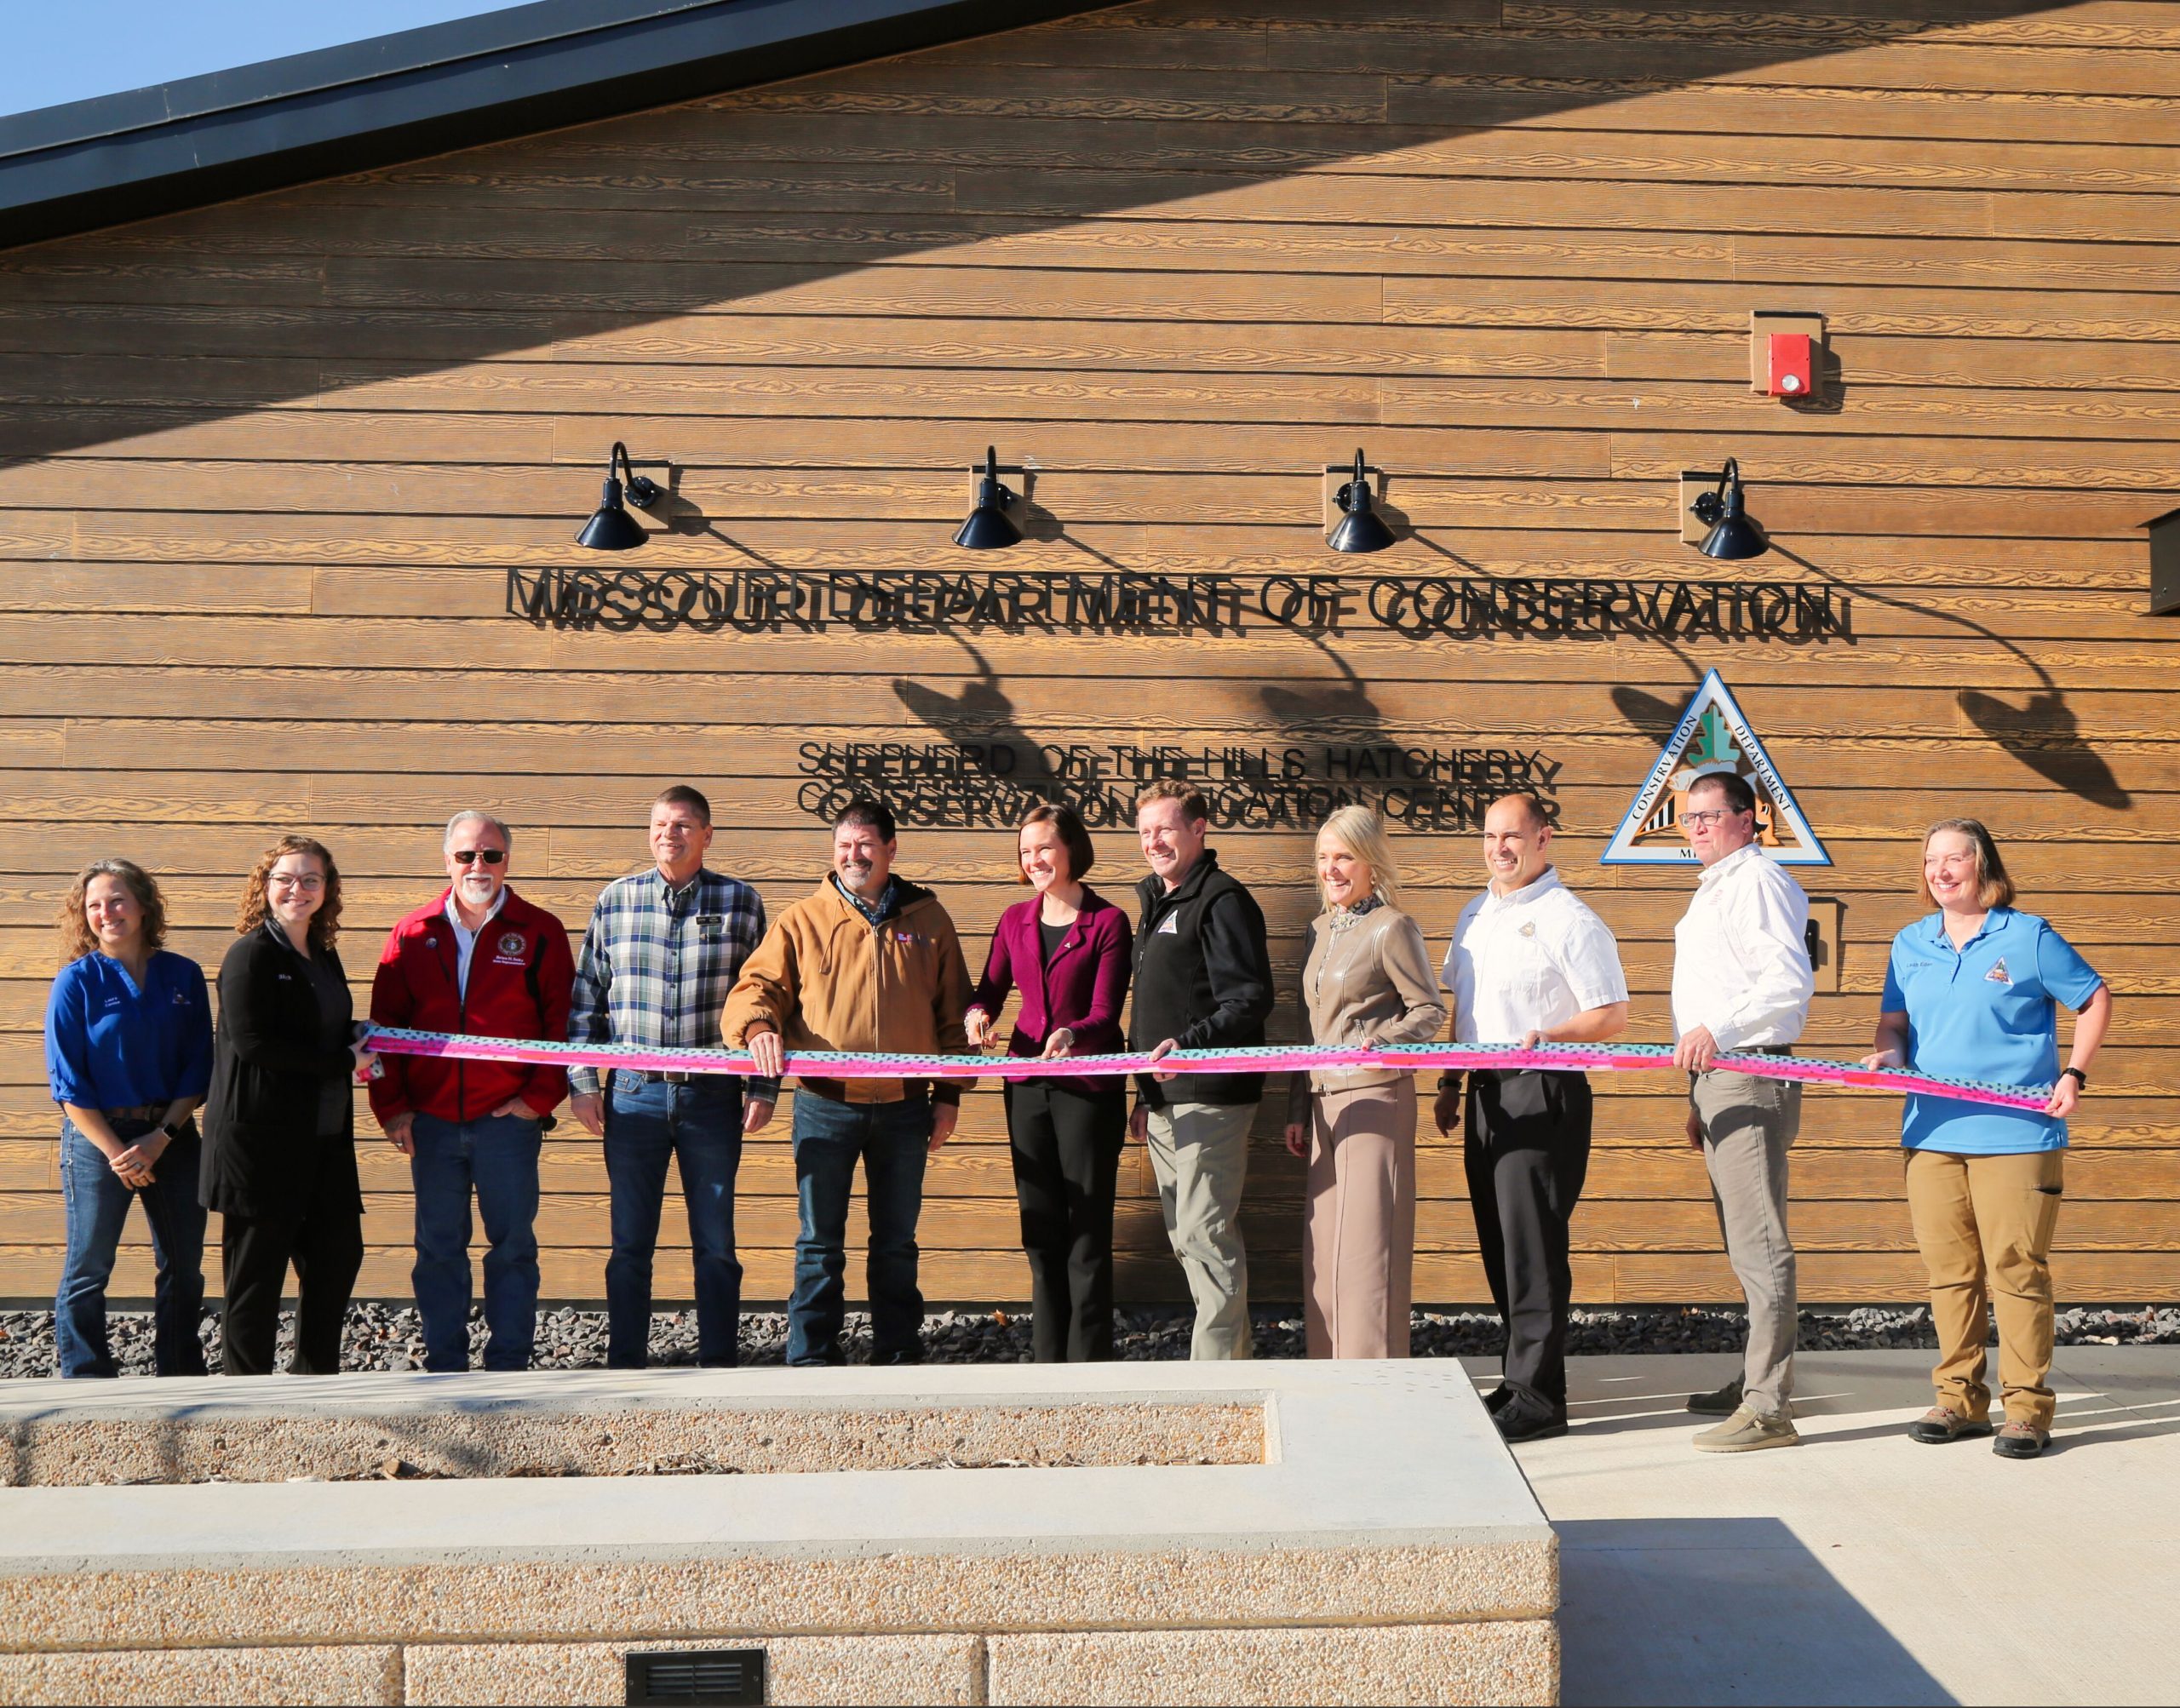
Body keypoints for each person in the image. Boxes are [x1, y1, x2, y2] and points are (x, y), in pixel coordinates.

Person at [1862, 820, 2110, 1459]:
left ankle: (2026, 1410)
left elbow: (2093, 997)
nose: (1940, 871)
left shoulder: (2026, 936)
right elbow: (1893, 1023)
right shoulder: (1910, 942)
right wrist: (1887, 1054)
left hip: (2018, 1131)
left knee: (2016, 1271)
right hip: (1932, 1130)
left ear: (1983, 865)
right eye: (1930, 861)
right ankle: (1959, 1401)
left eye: (1954, 859)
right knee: (1950, 1273)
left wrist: (2074, 1073)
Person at [725, 796, 974, 1367]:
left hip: (907, 1109)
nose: (852, 855)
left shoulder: (929, 919)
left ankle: (898, 1351)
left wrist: (950, 1096)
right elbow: (755, 988)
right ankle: (810, 1355)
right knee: (819, 1242)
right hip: (824, 1105)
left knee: (896, 1243)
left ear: (890, 849)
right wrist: (759, 1024)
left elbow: (953, 1014)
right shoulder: (802, 920)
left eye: (864, 844)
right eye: (843, 846)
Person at [1434, 794, 1628, 1439]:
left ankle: (1540, 1402)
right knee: (1500, 1244)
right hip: (1488, 1091)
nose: (1499, 849)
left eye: (1512, 836)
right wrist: (1450, 1083)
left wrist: (1552, 1035)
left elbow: (1611, 1014)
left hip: (1541, 1089)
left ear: (1544, 839)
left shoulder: (1570, 919)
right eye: (1490, 836)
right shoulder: (1475, 913)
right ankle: (1523, 1383)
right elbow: (1463, 1008)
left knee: (1534, 1248)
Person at [567, 785, 773, 1370]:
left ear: (707, 835)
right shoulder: (616, 900)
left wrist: (762, 1086)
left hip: (713, 1098)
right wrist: (582, 1084)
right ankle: (625, 1363)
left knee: (716, 1246)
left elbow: (765, 1000)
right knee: (630, 1244)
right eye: (660, 824)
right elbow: (587, 1002)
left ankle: (718, 1364)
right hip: (633, 1095)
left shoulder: (742, 903)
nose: (669, 834)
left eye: (683, 825)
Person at [369, 811, 575, 1373]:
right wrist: (391, 1108)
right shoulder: (411, 933)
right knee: (438, 1248)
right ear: (447, 861)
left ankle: (509, 1361)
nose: (478, 866)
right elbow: (381, 1032)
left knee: (512, 1247)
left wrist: (537, 1100)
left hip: (506, 1122)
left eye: (491, 855)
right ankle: (444, 1362)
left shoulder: (540, 930)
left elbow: (561, 1024)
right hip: (430, 1122)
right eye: (466, 856)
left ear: (508, 861)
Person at [1669, 771, 1816, 1452]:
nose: (1696, 827)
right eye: (1688, 817)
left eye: (1710, 815)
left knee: (1761, 1247)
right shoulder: (1720, 887)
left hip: (1748, 1071)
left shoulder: (1758, 881)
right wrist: (1700, 1088)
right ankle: (1757, 1379)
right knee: (1744, 1242)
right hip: (1721, 1078)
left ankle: (1768, 1408)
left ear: (1749, 817)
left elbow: (1786, 986)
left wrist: (1719, 1039)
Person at [201, 835, 377, 1377]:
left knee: (337, 1256)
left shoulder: (322, 955)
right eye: (284, 879)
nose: (296, 889)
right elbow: (257, 1045)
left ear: (327, 890)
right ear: (265, 886)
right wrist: (345, 1061)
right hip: (261, 1144)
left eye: (310, 879)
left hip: (324, 1139)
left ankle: (313, 1379)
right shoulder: (250, 954)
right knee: (256, 1275)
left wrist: (361, 1033)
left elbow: (316, 1030)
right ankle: (245, 1395)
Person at [966, 804, 1133, 1361]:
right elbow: (987, 991)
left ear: (1070, 851)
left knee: (1086, 1231)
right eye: (1025, 850)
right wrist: (976, 1017)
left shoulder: (1108, 922)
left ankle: (1090, 1363)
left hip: (1087, 1087)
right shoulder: (1014, 919)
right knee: (1039, 1226)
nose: (1034, 859)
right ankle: (1047, 1361)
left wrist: (1070, 1033)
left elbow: (1106, 1013)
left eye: (1044, 848)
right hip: (1026, 1085)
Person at [1282, 807, 1444, 1361]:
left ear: (1371, 861)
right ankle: (1328, 1380)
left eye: (1344, 856)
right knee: (1325, 1252)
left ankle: (1374, 1387)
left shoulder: (1391, 926)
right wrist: (1300, 1107)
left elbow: (1428, 1009)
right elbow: (1311, 1025)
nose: (1331, 868)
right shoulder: (1323, 928)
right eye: (1324, 857)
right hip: (1327, 1103)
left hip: (1375, 1095)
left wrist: (1386, 1039)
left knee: (1365, 1254)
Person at [44, 859, 214, 1378]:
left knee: (183, 1265)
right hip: (98, 1142)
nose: (106, 912)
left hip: (173, 1136)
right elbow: (67, 1081)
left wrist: (161, 1137)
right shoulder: (76, 982)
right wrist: (118, 1152)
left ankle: (180, 1372)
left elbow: (199, 1063)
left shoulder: (182, 974)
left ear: (143, 904)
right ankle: (86, 1377)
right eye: (94, 905)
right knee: (89, 1267)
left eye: (117, 900)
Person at [1127, 782, 1275, 1361]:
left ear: (1199, 829)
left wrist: (1187, 1048)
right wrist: (1144, 1093)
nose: (1153, 841)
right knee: (1187, 1237)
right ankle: (1227, 1361)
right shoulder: (1160, 899)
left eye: (1164, 828)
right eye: (1144, 832)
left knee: (1203, 1234)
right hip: (1165, 1100)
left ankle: (1219, 1376)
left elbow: (1248, 998)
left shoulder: (1221, 900)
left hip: (1210, 1097)